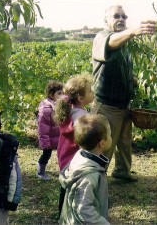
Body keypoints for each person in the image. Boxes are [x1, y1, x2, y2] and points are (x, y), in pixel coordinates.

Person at [91, 5, 157, 182]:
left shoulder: (125, 45)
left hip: (124, 103)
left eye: (124, 17)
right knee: (103, 145)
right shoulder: (101, 37)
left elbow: (124, 69)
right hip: (107, 105)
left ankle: (122, 172)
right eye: (116, 16)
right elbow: (111, 43)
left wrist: (139, 81)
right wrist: (133, 31)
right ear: (106, 20)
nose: (121, 19)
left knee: (124, 143)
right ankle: (95, 179)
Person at [59, 114, 112, 225]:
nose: (111, 137)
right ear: (102, 143)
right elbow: (83, 208)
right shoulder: (89, 176)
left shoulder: (80, 156)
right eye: (110, 135)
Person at [53, 73, 94, 216]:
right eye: (90, 91)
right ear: (81, 98)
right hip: (73, 158)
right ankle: (69, 213)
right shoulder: (79, 115)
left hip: (65, 155)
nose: (93, 92)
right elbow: (81, 134)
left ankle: (61, 213)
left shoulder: (71, 109)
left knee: (65, 186)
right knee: (73, 187)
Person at [37, 80, 63, 180]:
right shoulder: (46, 109)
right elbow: (43, 128)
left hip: (59, 137)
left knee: (62, 154)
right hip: (48, 138)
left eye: (63, 93)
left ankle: (63, 171)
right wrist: (45, 142)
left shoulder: (60, 106)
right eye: (59, 93)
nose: (62, 95)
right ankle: (40, 172)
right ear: (52, 94)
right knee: (46, 154)